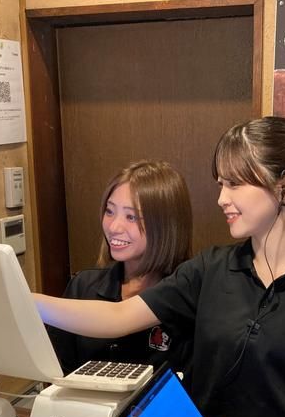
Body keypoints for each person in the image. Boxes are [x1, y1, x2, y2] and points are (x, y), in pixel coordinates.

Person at [36, 117, 285, 417]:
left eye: (235, 184)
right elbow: (118, 316)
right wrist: (25, 302)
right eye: (221, 184)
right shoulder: (211, 268)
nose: (222, 198)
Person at [46, 160, 193, 376]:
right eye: (109, 211)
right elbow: (60, 375)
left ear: (165, 224)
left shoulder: (187, 296)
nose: (114, 227)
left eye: (131, 217)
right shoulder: (83, 287)